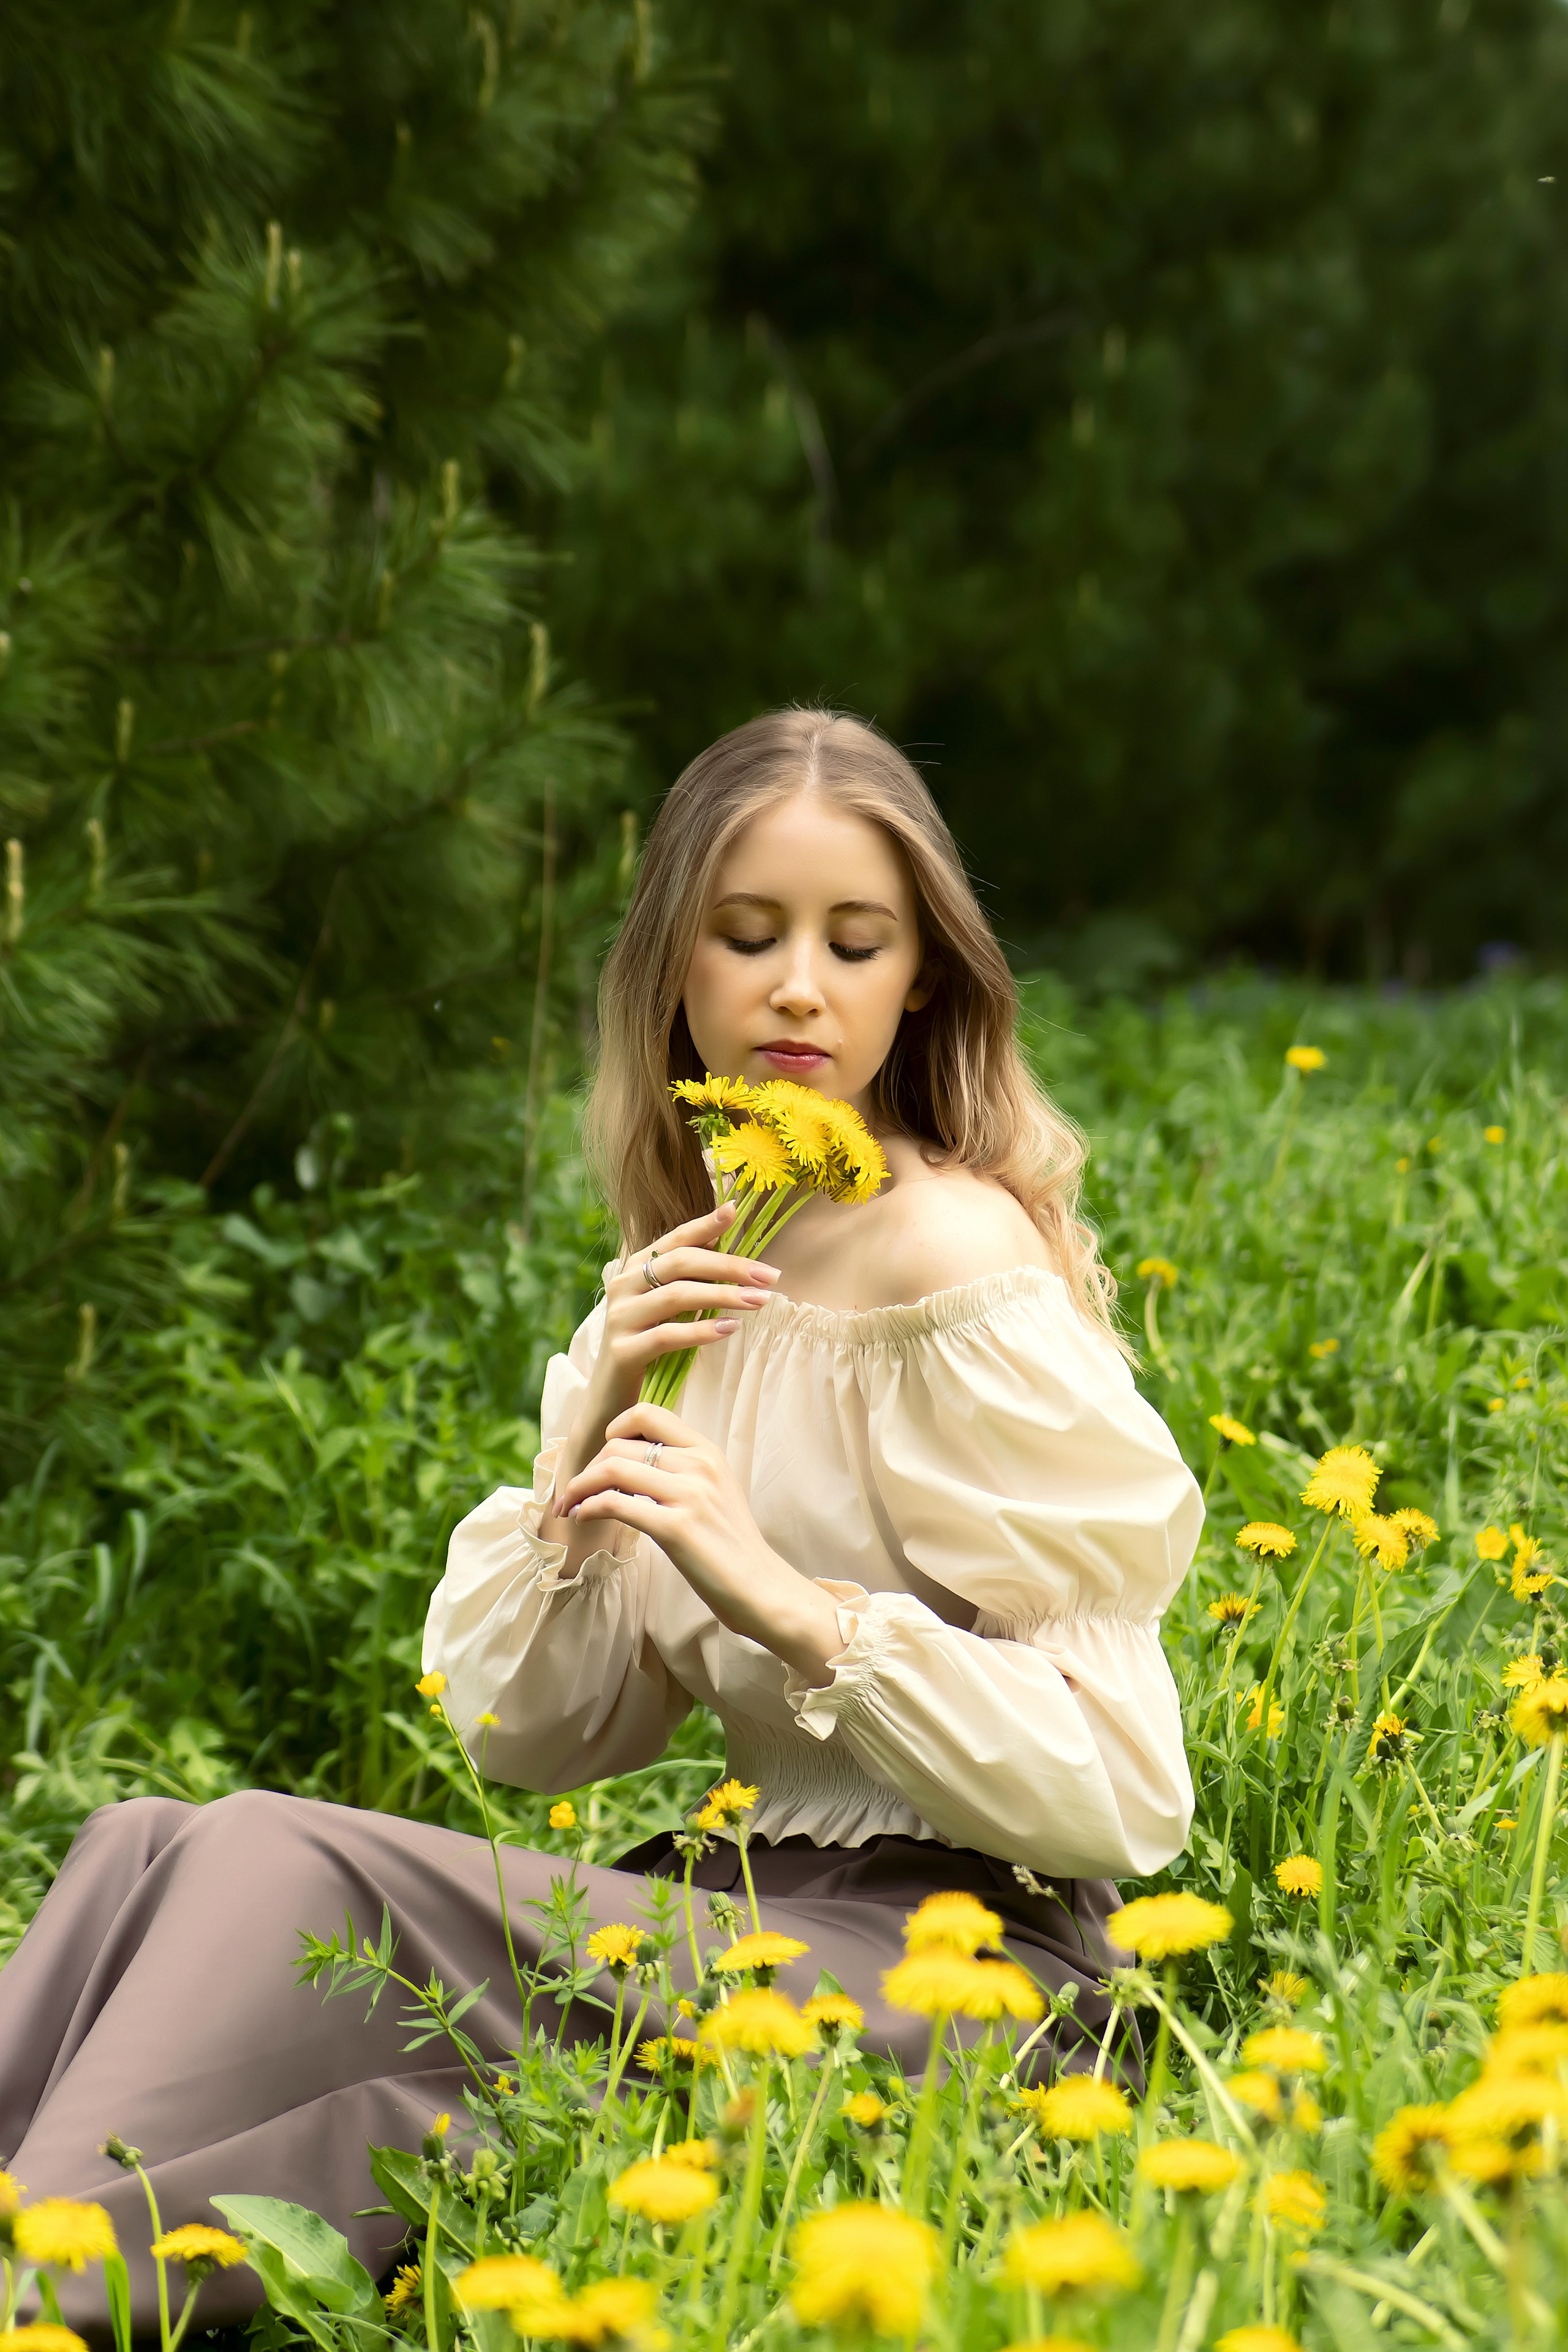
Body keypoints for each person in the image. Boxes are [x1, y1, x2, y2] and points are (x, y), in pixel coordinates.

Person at [0, 708, 1200, 2331]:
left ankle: (37, 2287)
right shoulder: (695, 1268)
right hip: (738, 1912)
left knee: (287, 1863)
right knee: (158, 1847)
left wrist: (790, 1604)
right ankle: (52, 2257)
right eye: (747, 933)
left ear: (922, 977)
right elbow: (530, 1738)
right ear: (676, 970)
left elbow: (1125, 1791)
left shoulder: (949, 1263)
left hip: (961, 1964)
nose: (798, 987)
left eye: (857, 943)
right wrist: (587, 1455)